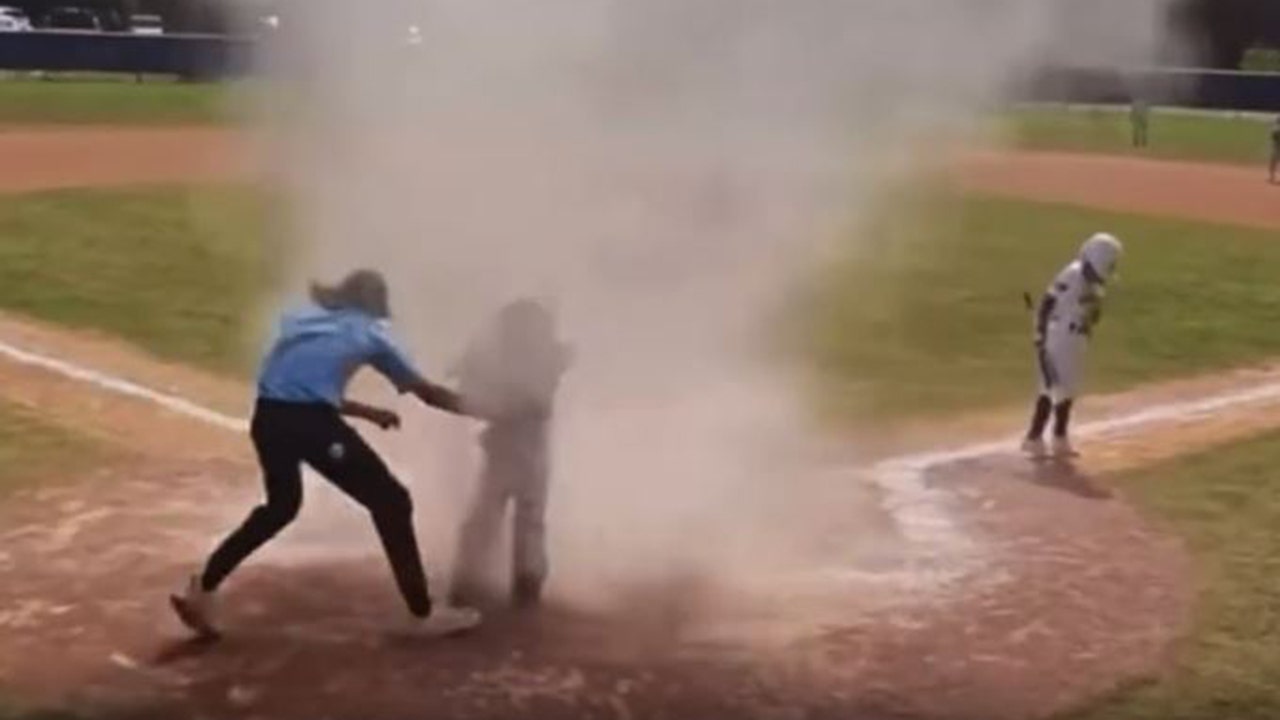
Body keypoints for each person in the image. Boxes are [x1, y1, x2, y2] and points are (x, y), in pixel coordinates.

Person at [170, 269, 481, 638]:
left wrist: (367, 413)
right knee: (392, 501)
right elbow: (427, 394)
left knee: (280, 507)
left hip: (268, 419)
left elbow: (298, 386)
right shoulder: (371, 333)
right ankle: (422, 613)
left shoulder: (300, 319)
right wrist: (486, 407)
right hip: (310, 425)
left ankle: (203, 588)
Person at [448, 298, 572, 608]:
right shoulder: (542, 358)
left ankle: (478, 583)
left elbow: (530, 400)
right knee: (516, 518)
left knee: (497, 516)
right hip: (519, 450)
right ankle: (504, 583)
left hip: (516, 449)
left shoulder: (532, 362)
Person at [1021, 233, 1123, 459]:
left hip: (1078, 339)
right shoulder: (1072, 274)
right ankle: (1034, 438)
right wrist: (1039, 334)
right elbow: (1048, 302)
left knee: (1068, 390)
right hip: (1059, 338)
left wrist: (1093, 314)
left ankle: (1059, 437)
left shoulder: (1096, 285)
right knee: (1051, 387)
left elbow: (1093, 316)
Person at [1269, 115, 1280, 184]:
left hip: (1276, 148)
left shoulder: (1276, 129)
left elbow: (1273, 137)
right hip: (1276, 147)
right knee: (1273, 162)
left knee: (1273, 163)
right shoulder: (1276, 129)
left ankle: (1272, 178)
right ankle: (1272, 177)